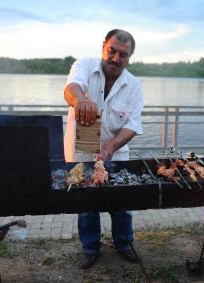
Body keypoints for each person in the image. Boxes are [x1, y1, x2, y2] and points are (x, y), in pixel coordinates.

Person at [63, 29, 143, 269]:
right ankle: (90, 247)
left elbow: (132, 125)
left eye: (123, 55)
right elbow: (71, 88)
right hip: (81, 150)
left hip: (116, 152)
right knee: (87, 204)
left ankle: (124, 243)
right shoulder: (85, 65)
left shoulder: (134, 86)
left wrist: (111, 145)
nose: (116, 58)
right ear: (103, 47)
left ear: (130, 58)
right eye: (112, 51)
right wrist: (80, 101)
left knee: (121, 202)